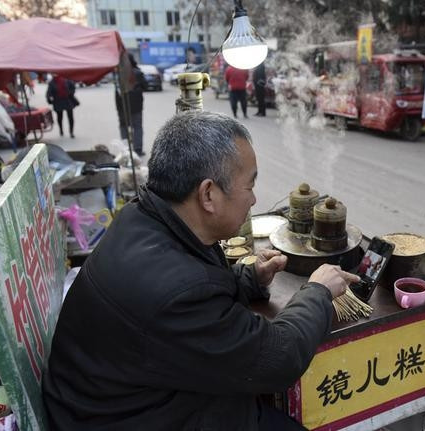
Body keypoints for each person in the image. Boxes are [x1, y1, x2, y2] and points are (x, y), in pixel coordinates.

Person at [43, 111, 359, 430]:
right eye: (249, 186)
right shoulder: (176, 290)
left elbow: (186, 303)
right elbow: (279, 359)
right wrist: (317, 291)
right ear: (208, 195)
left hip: (130, 400)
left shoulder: (142, 218)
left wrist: (248, 280)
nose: (254, 199)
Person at [116, 53, 148, 156]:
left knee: (123, 126)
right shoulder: (138, 73)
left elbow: (116, 93)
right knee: (137, 126)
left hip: (122, 105)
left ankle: (125, 150)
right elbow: (146, 86)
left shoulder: (119, 74)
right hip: (136, 106)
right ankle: (138, 150)